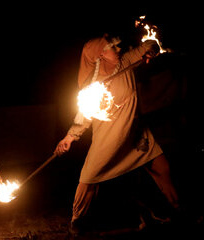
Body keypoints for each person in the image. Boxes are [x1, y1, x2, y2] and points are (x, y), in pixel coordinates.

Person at [54, 33, 181, 234]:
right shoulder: (94, 85)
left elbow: (148, 45)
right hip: (110, 137)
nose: (119, 49)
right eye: (113, 48)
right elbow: (84, 114)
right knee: (89, 177)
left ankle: (177, 211)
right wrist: (70, 137)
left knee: (161, 166)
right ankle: (77, 220)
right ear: (101, 55)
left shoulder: (126, 62)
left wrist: (152, 47)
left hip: (135, 132)